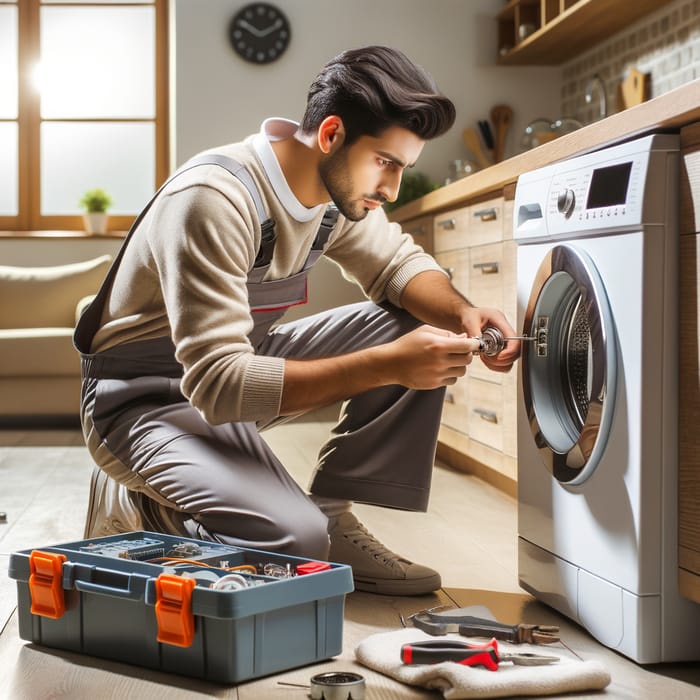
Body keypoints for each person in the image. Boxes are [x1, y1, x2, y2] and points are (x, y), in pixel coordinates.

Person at [74, 45, 519, 597]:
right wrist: (387, 367)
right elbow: (217, 387)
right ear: (331, 134)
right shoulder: (214, 198)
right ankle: (141, 502)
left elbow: (399, 265)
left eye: (403, 167)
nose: (392, 188)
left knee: (417, 324)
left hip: (234, 374)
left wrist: (463, 312)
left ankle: (332, 514)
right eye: (386, 162)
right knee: (296, 543)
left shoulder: (333, 197)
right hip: (139, 402)